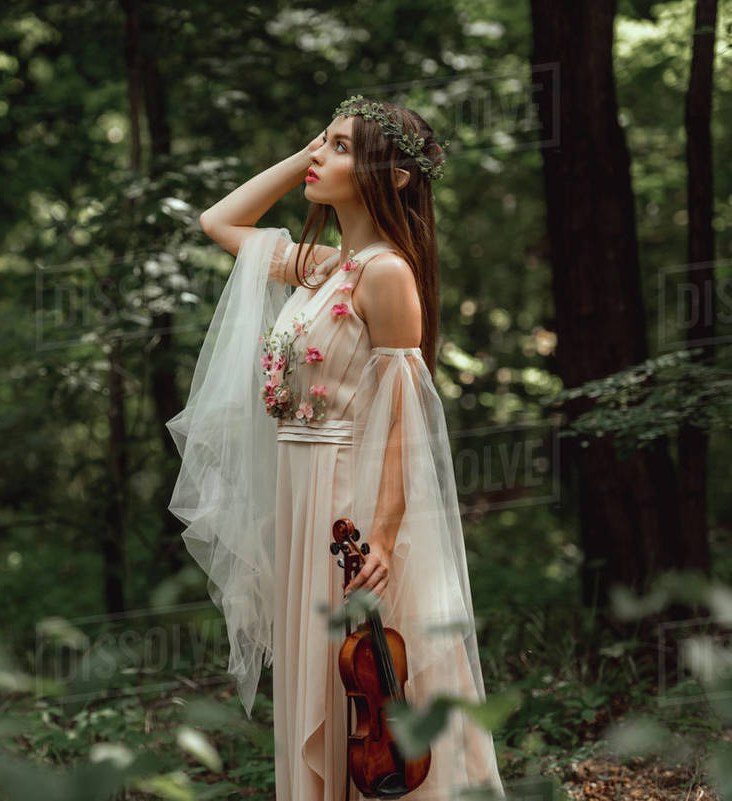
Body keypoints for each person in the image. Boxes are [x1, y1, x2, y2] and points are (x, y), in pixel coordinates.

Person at [166, 96, 506, 800]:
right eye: (322, 142)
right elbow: (219, 222)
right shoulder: (324, 268)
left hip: (347, 501)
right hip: (301, 498)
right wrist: (310, 155)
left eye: (342, 147)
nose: (320, 155)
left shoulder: (388, 274)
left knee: (358, 682)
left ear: (396, 177)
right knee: (319, 673)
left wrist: (383, 533)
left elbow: (406, 418)